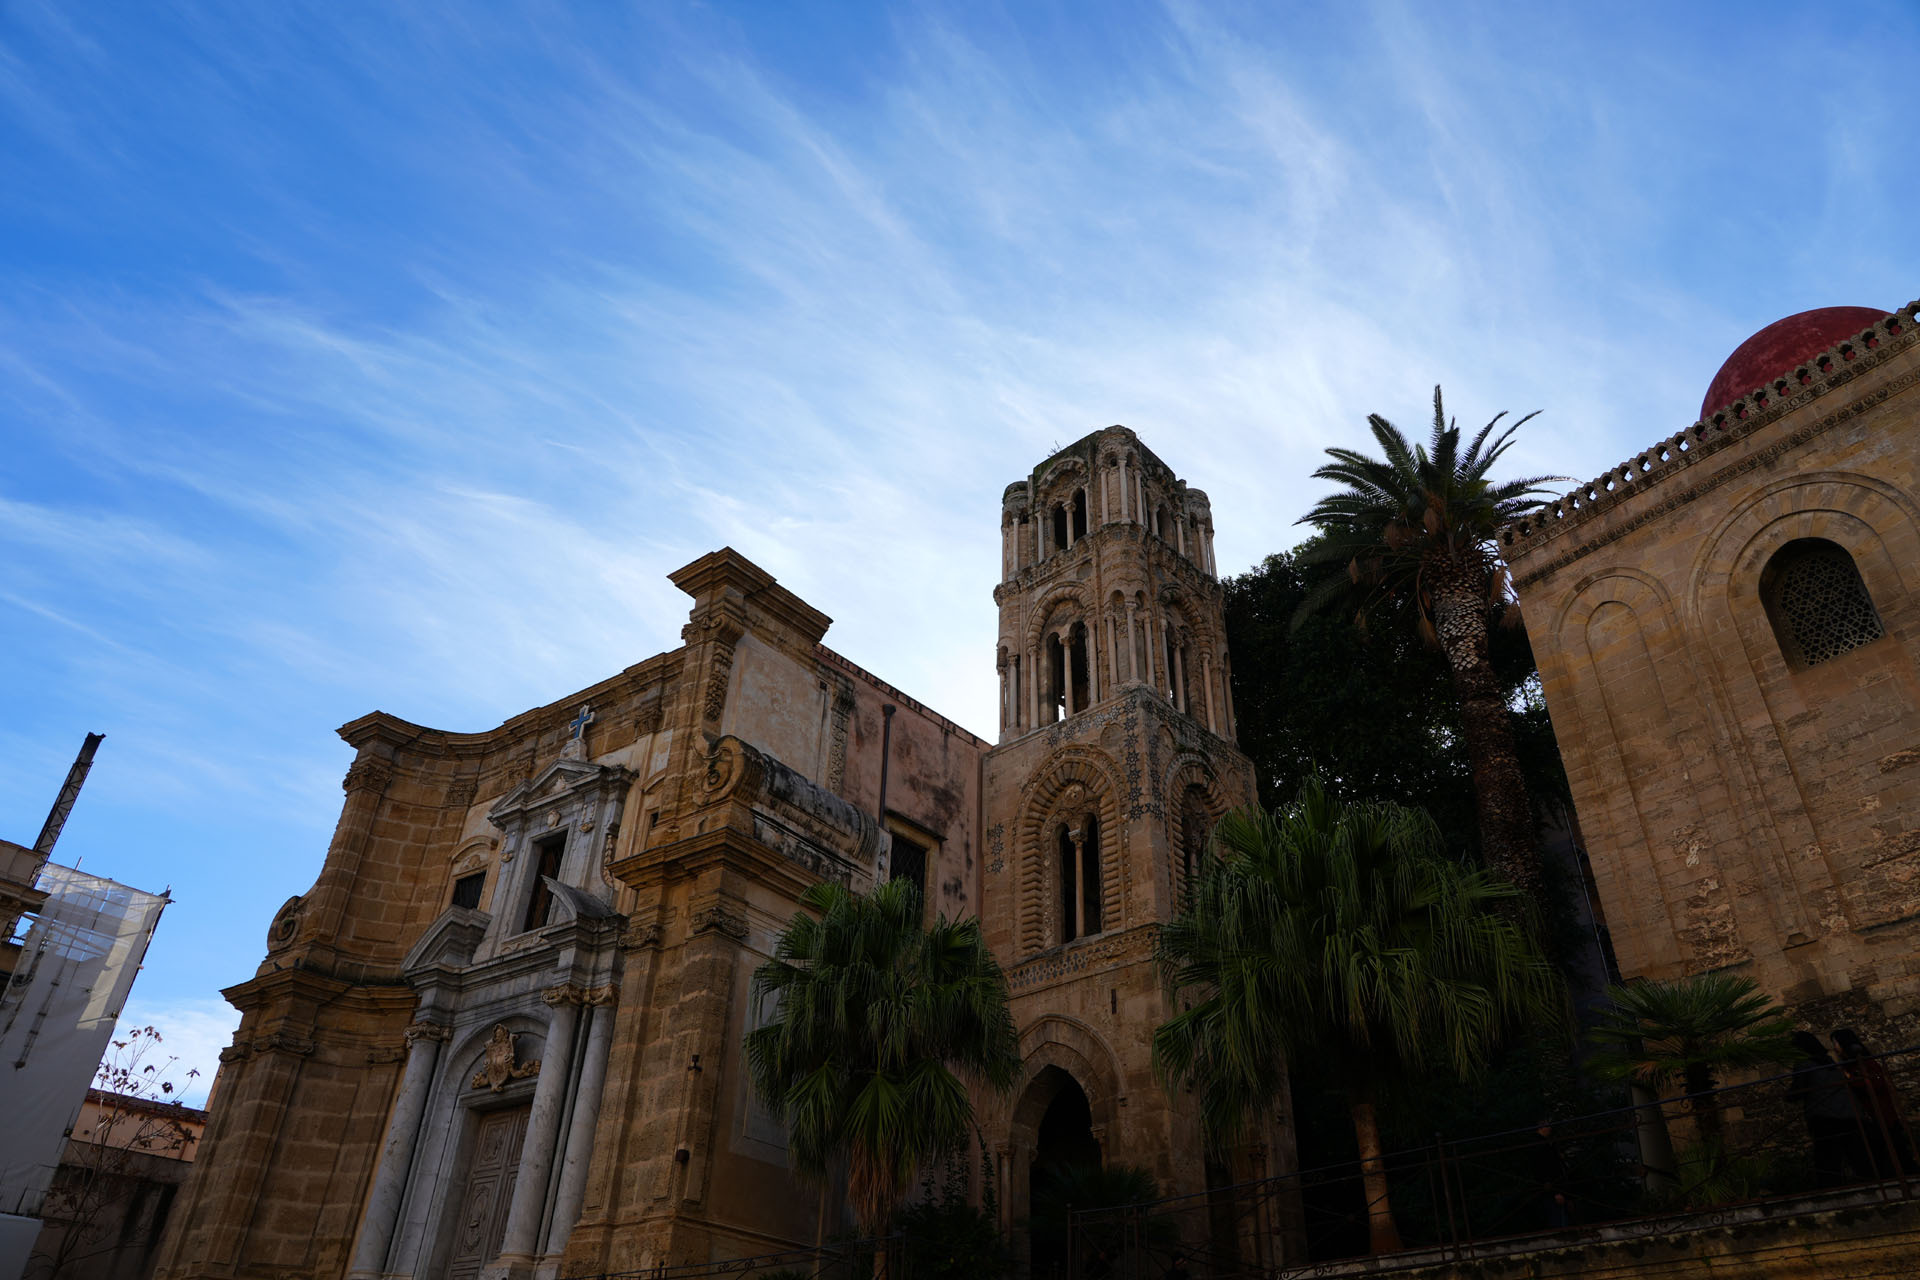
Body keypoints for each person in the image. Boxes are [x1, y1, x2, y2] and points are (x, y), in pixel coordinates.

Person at [1833, 1027, 1917, 1176]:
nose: (1835, 1047)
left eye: (1835, 1043)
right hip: (1869, 1116)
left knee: (1895, 1150)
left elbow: (1875, 1084)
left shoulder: (1865, 1063)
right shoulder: (1850, 1065)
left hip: (1880, 1114)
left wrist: (1850, 1078)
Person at [1786, 1030, 1865, 1185]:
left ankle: (1832, 1188)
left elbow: (1798, 1090)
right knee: (1855, 1152)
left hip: (1824, 1116)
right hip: (1848, 1112)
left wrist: (1788, 1095)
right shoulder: (1830, 1062)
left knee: (1827, 1158)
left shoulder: (1804, 1064)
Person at [1531, 1121, 1570, 1228]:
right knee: (1558, 1218)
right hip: (1552, 1188)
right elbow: (1545, 1168)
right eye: (1548, 1126)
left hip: (1551, 1188)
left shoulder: (1542, 1144)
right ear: (1541, 1128)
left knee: (1557, 1217)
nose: (1550, 1129)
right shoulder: (1542, 1146)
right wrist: (1555, 1192)